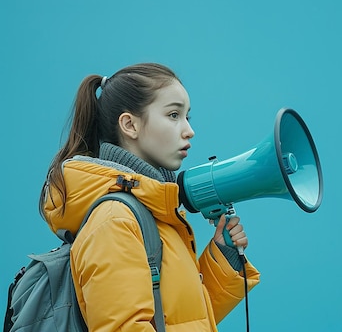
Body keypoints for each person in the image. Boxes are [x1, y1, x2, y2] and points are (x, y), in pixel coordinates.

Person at [39, 63, 260, 331]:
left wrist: (223, 260)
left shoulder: (155, 213)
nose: (189, 130)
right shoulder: (114, 222)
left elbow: (180, 320)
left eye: (188, 116)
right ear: (130, 124)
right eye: (174, 115)